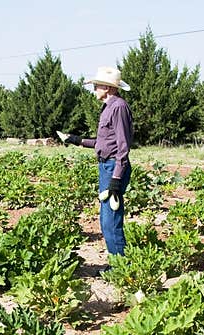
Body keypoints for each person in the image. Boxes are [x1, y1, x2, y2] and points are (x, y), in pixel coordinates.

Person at [61, 66, 133, 272]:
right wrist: (76, 140)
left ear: (108, 88)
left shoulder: (118, 107)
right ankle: (117, 263)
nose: (93, 89)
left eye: (96, 85)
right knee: (105, 218)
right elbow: (104, 142)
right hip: (106, 166)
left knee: (111, 219)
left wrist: (116, 178)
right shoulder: (108, 107)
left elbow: (122, 146)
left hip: (113, 167)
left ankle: (121, 268)